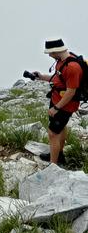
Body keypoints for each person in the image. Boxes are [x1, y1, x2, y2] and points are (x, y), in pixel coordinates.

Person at [28, 38, 85, 166]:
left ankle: (53, 167)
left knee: (53, 133)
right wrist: (41, 77)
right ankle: (58, 154)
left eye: (50, 53)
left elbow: (71, 92)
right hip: (57, 99)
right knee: (60, 129)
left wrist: (57, 108)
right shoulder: (61, 61)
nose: (49, 55)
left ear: (55, 51)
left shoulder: (72, 67)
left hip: (65, 105)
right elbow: (58, 79)